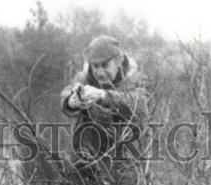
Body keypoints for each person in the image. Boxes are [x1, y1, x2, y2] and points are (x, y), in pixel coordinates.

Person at [60, 35, 148, 164]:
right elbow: (67, 93)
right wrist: (70, 101)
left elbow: (140, 106)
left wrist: (104, 96)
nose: (99, 73)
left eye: (105, 65)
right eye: (95, 66)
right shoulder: (83, 78)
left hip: (123, 162)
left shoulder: (136, 80)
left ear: (118, 60)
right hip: (84, 160)